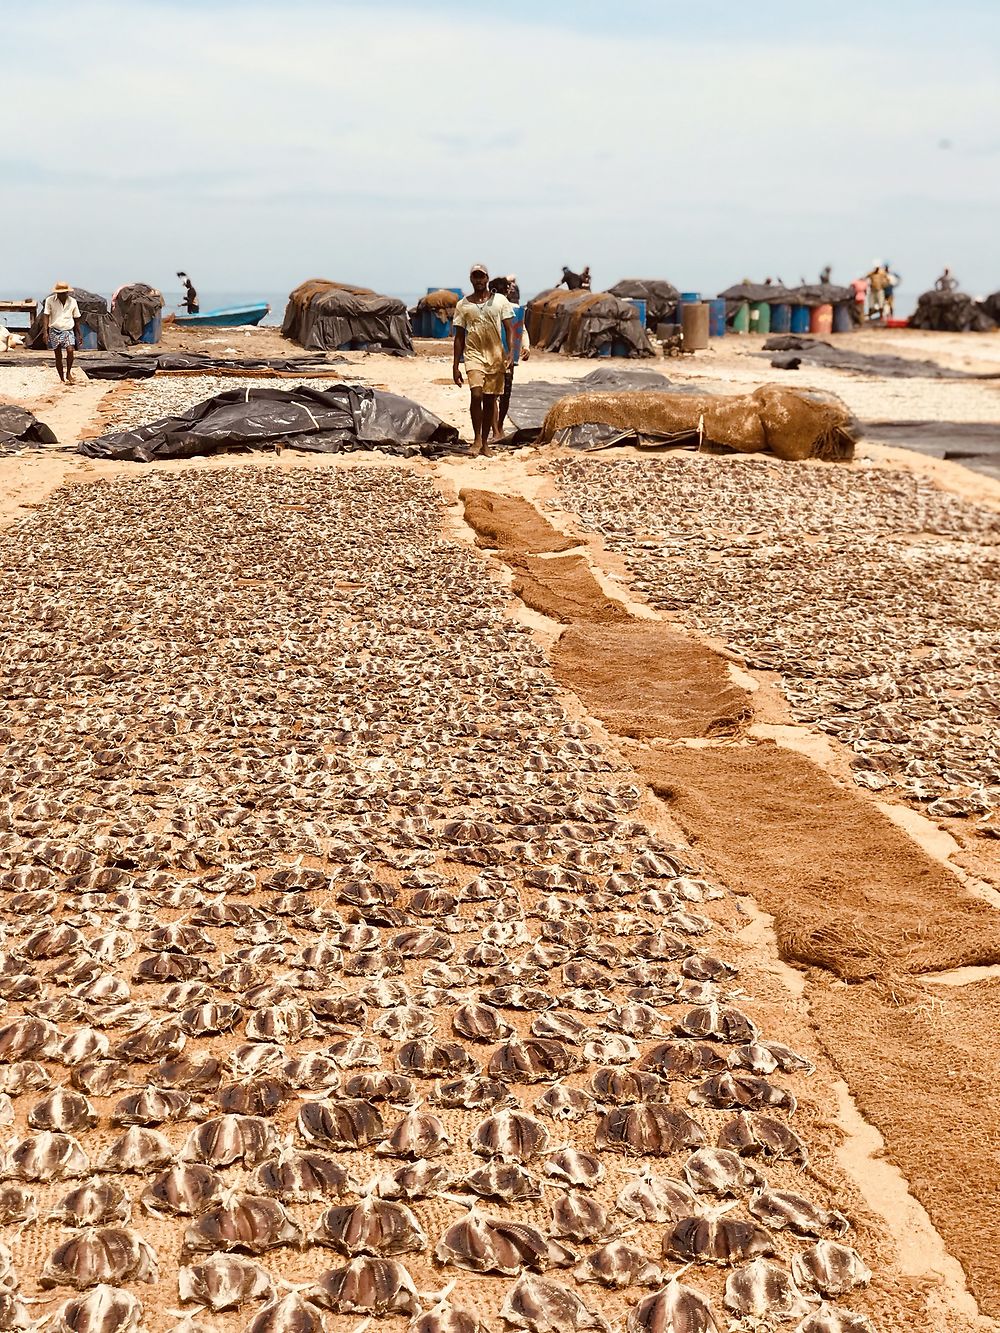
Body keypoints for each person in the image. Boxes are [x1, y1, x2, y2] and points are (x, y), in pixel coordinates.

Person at [452, 263, 515, 457]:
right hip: (473, 355)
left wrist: (511, 352)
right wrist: (455, 365)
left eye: (482, 276)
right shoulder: (463, 305)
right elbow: (459, 336)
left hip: (496, 355)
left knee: (489, 400)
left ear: (487, 279)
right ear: (471, 279)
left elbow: (509, 328)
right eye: (475, 277)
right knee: (476, 395)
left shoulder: (500, 301)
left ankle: (486, 442)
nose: (479, 280)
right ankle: (477, 438)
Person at [488, 276, 530, 440]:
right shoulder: (487, 309)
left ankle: (499, 426)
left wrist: (526, 346)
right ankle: (496, 430)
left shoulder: (514, 309)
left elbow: (522, 329)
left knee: (504, 395)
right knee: (493, 394)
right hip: (491, 357)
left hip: (508, 358)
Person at [41, 281, 82, 384]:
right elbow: (46, 316)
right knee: (58, 355)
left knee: (70, 350)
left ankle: (68, 372)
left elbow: (77, 318)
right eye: (60, 293)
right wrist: (45, 332)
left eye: (64, 293)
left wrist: (79, 334)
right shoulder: (50, 301)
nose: (62, 295)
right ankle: (61, 377)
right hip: (54, 330)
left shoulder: (72, 302)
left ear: (67, 293)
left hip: (68, 330)